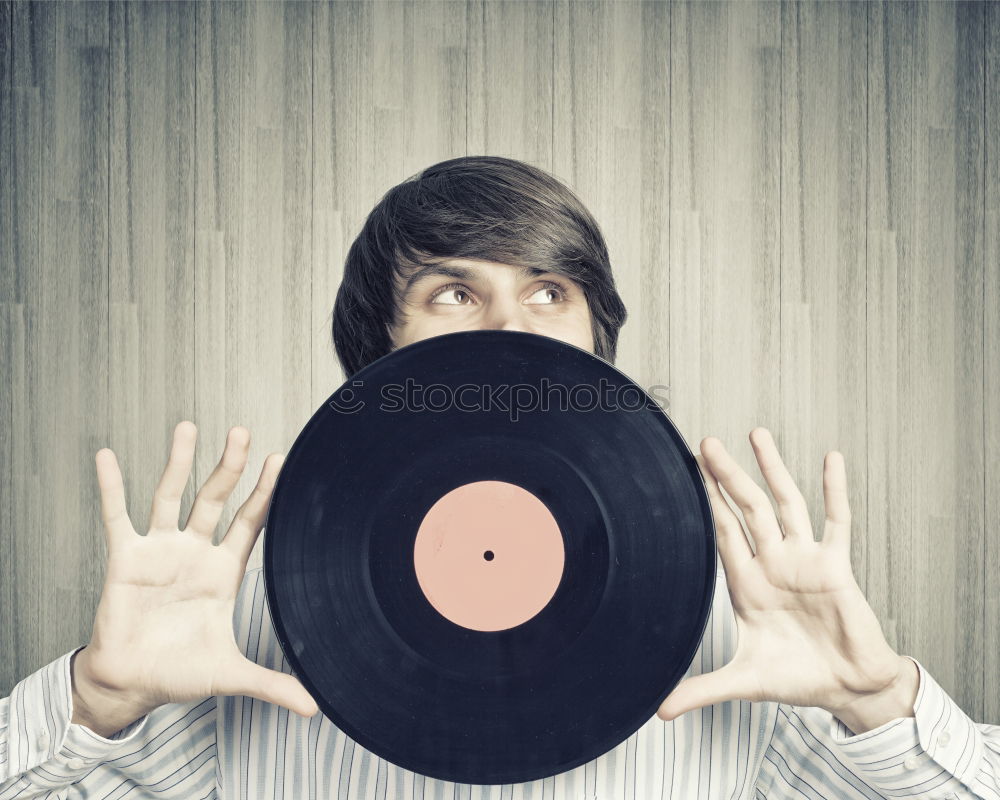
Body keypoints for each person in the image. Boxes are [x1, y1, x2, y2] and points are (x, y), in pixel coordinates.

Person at [1, 156, 997, 799]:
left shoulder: (739, 624)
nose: (509, 329)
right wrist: (95, 698)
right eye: (452, 291)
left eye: (549, 292)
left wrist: (879, 700)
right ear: (377, 349)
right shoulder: (246, 622)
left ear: (594, 346)